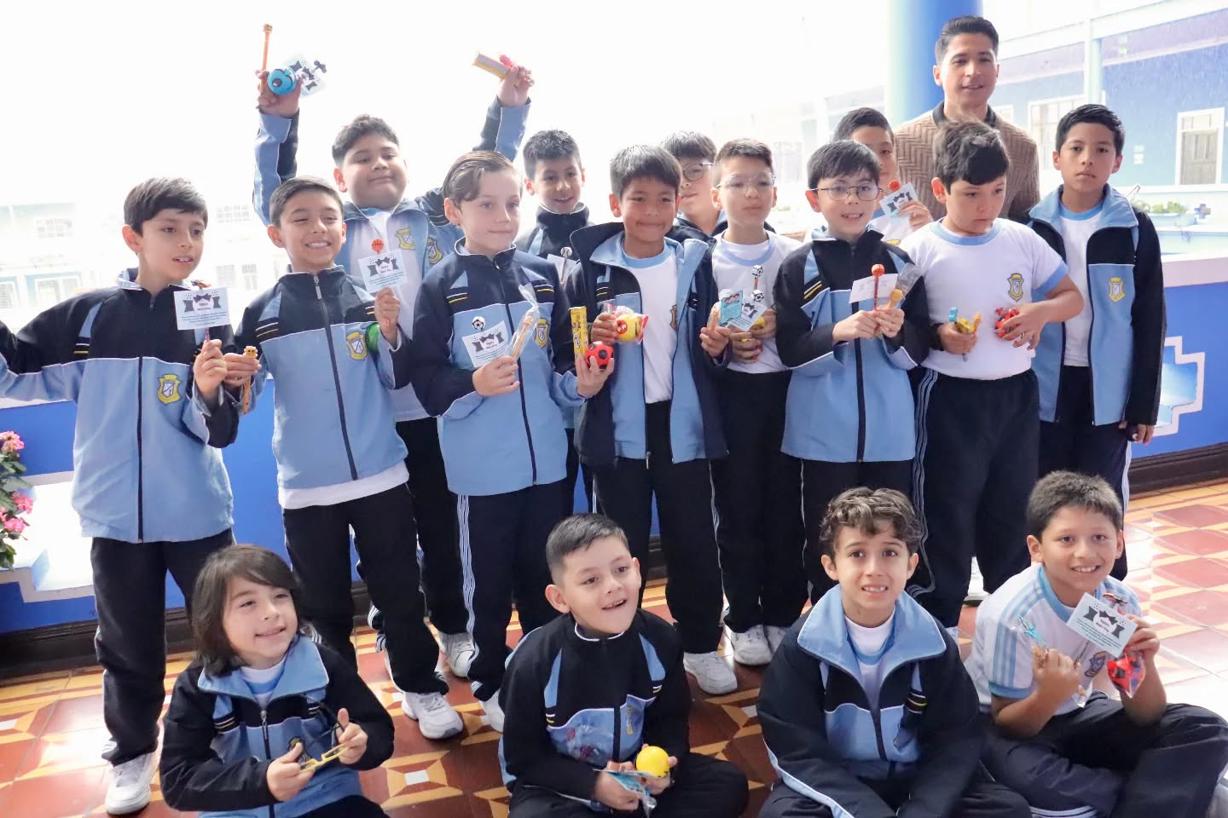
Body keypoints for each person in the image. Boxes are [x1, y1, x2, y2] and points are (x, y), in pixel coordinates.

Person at [252, 61, 536, 678]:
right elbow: (275, 193)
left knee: (442, 525)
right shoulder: (330, 225)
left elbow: (483, 169)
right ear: (339, 177)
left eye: (388, 153)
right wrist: (279, 122)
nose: (378, 164)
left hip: (440, 399)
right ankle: (393, 632)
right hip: (371, 413)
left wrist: (509, 105)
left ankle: (454, 628)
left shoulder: (434, 215)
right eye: (362, 157)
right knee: (385, 543)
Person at [0, 178, 239, 814]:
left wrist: (210, 390)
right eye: (170, 230)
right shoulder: (88, 315)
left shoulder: (208, 317)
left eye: (196, 230)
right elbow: (13, 372)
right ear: (134, 237)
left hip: (197, 514)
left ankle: (233, 729)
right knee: (127, 645)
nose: (186, 243)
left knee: (224, 631)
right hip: (113, 518)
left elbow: (220, 429)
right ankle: (132, 753)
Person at [230, 177, 463, 739]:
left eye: (329, 217)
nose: (318, 228)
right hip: (307, 486)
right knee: (324, 607)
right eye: (301, 218)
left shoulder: (366, 298)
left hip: (381, 472)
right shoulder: (262, 313)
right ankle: (339, 706)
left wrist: (389, 332)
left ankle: (420, 687)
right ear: (276, 233)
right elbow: (244, 397)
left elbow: (394, 376)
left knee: (400, 592)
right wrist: (236, 378)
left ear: (343, 227)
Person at [409, 151, 612, 731]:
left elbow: (564, 362)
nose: (502, 216)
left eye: (511, 204)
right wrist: (473, 383)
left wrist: (583, 384)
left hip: (548, 462)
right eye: (486, 205)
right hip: (483, 472)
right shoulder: (440, 287)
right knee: (489, 584)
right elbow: (426, 381)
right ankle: (491, 681)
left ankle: (545, 669)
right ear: (454, 211)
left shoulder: (542, 275)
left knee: (546, 577)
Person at [563, 145, 737, 695]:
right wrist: (594, 343)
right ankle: (624, 649)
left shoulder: (695, 262)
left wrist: (718, 346)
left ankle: (700, 645)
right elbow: (570, 352)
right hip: (616, 433)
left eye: (665, 199)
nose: (653, 211)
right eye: (639, 199)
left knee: (694, 542)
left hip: (682, 427)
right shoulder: (589, 271)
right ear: (616, 203)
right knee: (619, 549)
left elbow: (716, 343)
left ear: (679, 201)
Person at [902, 121, 1082, 629]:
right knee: (947, 506)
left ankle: (1010, 613)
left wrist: (1038, 313)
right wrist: (939, 334)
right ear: (940, 190)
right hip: (947, 396)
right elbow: (903, 327)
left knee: (1012, 504)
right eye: (971, 194)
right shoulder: (919, 248)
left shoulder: (1021, 240)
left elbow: (1071, 298)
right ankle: (937, 617)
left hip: (1015, 395)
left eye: (997, 192)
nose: (986, 206)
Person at [968, 471, 1228, 818]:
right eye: (1066, 539)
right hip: (1006, 730)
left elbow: (1145, 715)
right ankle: (1165, 793)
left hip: (1078, 713)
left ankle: (1146, 795)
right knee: (1042, 783)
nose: (1085, 552)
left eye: (1099, 538)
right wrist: (1049, 695)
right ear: (1036, 548)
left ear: (1119, 543)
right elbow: (1009, 724)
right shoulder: (1012, 614)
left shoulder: (1118, 602)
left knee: (1205, 728)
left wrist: (1143, 662)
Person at [758, 488, 1030, 818]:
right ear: (831, 566)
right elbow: (797, 752)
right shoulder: (802, 647)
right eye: (857, 554)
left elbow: (956, 739)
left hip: (915, 778)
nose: (874, 569)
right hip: (839, 785)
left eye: (889, 553)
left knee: (1007, 809)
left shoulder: (934, 643)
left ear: (911, 564)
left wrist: (923, 809)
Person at [499, 514, 749, 817]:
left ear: (637, 570)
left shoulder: (661, 639)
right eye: (591, 580)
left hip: (634, 778)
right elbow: (523, 759)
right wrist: (594, 784)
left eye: (621, 570)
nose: (613, 585)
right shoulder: (533, 662)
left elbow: (670, 721)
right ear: (560, 598)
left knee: (728, 783)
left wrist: (667, 765)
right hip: (564, 788)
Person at [776, 141, 930, 603]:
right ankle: (829, 616)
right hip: (823, 432)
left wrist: (898, 332)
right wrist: (836, 332)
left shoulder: (901, 264)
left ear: (879, 194)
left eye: (864, 188)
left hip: (890, 430)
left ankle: (891, 612)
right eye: (838, 189)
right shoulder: (798, 265)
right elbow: (788, 349)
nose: (852, 200)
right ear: (814, 198)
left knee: (893, 527)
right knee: (828, 532)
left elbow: (921, 348)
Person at [1028, 104, 1166, 580]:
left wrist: (1144, 403)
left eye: (1102, 150)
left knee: (1102, 495)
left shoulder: (1135, 229)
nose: (1088, 158)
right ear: (1056, 157)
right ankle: (1049, 594)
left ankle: (1107, 596)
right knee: (1047, 494)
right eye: (1077, 148)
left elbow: (1150, 318)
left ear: (1117, 161)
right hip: (1045, 384)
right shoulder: (1031, 226)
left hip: (1108, 391)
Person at [161, 545, 394, 818]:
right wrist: (261, 781)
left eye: (280, 596)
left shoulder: (323, 666)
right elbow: (178, 779)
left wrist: (363, 743)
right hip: (236, 809)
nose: (271, 611)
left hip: (323, 796)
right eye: (248, 603)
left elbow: (378, 727)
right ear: (213, 621)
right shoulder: (198, 685)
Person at [708, 137, 806, 664]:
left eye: (761, 182)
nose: (751, 193)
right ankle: (743, 617)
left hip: (790, 393)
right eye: (738, 183)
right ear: (716, 193)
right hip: (734, 398)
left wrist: (779, 325)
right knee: (738, 509)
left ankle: (784, 613)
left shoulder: (794, 254)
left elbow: (809, 323)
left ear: (775, 191)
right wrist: (728, 347)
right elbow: (698, 339)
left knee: (787, 509)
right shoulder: (704, 261)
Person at [516, 128, 595, 514]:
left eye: (570, 174)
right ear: (531, 184)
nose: (562, 186)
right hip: (548, 402)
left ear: (584, 175)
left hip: (599, 397)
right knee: (554, 507)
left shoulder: (605, 240)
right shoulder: (521, 249)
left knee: (604, 503)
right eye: (550, 177)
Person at [894, 15, 1040, 222]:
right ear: (938, 74)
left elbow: (1027, 225)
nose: (973, 71)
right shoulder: (898, 144)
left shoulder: (1022, 147)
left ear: (997, 70)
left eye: (984, 60)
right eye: (960, 61)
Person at [832, 107, 934, 245]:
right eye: (865, 152)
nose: (878, 162)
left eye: (885, 151)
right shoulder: (832, 220)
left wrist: (929, 234)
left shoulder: (915, 217)